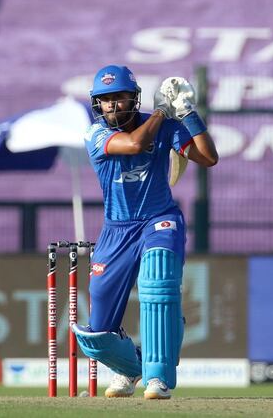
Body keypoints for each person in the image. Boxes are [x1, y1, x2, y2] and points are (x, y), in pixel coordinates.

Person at [71, 65, 218, 400]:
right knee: (97, 332)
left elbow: (208, 158)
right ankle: (129, 368)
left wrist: (187, 114)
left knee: (159, 284)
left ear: (133, 99)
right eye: (105, 100)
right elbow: (136, 144)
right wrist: (164, 113)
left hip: (158, 219)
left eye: (118, 98)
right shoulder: (95, 135)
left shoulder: (163, 124)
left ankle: (158, 378)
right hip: (116, 230)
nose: (112, 105)